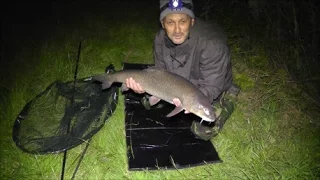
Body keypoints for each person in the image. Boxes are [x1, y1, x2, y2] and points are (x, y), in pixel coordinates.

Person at [126, 0, 240, 141]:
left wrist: (189, 102)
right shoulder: (160, 38)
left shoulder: (212, 43)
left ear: (192, 21)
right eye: (170, 22)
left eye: (182, 21)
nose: (177, 30)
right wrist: (145, 86)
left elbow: (213, 86)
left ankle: (230, 96)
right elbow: (160, 72)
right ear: (162, 23)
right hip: (179, 84)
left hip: (210, 88)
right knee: (147, 102)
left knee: (203, 130)